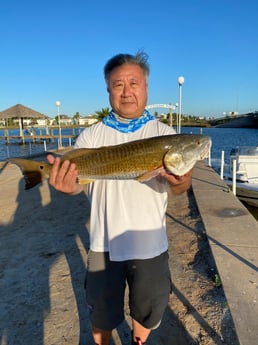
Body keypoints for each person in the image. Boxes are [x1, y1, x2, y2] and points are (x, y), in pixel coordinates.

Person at [47, 51, 192, 345]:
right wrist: (65, 185)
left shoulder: (164, 134)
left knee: (146, 312)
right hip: (104, 244)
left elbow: (178, 189)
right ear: (108, 90)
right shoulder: (91, 137)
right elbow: (80, 185)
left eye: (134, 83)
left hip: (149, 243)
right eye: (118, 85)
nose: (127, 92)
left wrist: (183, 180)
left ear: (146, 88)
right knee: (101, 315)